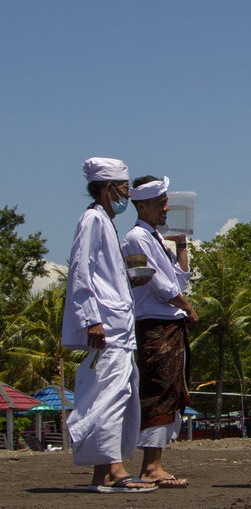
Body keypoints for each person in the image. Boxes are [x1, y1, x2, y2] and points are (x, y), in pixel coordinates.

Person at [62, 157, 157, 493]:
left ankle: (104, 470)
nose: (127, 194)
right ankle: (113, 470)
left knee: (118, 394)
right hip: (106, 327)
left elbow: (106, 277)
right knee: (108, 397)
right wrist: (91, 319)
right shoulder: (92, 220)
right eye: (122, 187)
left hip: (119, 326)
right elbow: (80, 270)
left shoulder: (106, 222)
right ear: (107, 188)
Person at [121, 175, 197, 488]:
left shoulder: (154, 239)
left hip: (168, 320)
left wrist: (180, 244)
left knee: (173, 387)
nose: (167, 208)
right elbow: (158, 283)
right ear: (143, 205)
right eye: (161, 202)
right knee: (159, 388)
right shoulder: (136, 238)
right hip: (154, 321)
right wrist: (187, 306)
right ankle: (150, 465)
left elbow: (180, 278)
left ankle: (156, 461)